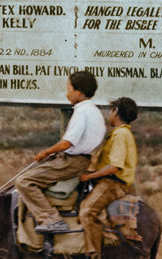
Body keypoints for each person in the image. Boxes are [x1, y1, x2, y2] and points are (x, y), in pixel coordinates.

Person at [16, 70, 106, 235]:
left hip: (72, 160)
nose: (67, 94)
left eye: (69, 89)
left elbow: (67, 143)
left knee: (24, 181)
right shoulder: (93, 110)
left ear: (78, 93)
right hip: (80, 158)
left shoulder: (82, 112)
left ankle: (51, 220)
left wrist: (46, 152)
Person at [77, 96, 139, 259]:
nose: (109, 113)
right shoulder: (119, 134)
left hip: (113, 184)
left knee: (86, 212)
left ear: (116, 111)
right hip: (109, 181)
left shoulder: (120, 135)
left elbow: (114, 167)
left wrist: (89, 176)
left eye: (111, 109)